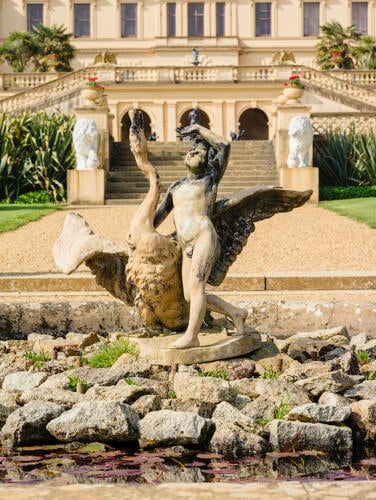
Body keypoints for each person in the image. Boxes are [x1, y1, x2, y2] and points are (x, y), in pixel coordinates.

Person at [154, 124, 248, 349]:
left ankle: (192, 336)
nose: (192, 153)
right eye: (190, 151)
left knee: (196, 288)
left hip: (203, 236)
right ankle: (236, 313)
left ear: (207, 161)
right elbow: (156, 218)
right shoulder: (176, 187)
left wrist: (197, 127)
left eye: (199, 152)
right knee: (190, 294)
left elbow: (224, 145)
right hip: (185, 243)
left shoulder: (209, 179)